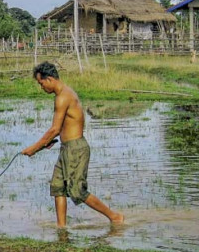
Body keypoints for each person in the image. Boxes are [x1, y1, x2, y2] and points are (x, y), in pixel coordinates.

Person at [22, 61, 123, 228]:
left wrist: (34, 148)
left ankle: (114, 217)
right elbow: (63, 125)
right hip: (67, 147)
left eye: (41, 83)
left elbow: (54, 128)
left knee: (77, 191)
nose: (41, 88)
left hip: (76, 149)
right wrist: (51, 141)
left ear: (49, 79)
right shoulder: (64, 94)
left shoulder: (63, 97)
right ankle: (61, 227)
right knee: (58, 187)